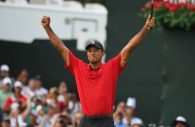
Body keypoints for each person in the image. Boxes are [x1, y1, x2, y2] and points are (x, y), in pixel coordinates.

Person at [41, 14, 155, 127]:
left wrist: (145, 29)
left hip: (105, 121)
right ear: (87, 53)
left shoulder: (111, 67)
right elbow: (61, 47)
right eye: (89, 50)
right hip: (87, 121)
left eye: (96, 50)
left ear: (102, 53)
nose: (92, 52)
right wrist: (47, 28)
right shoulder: (78, 67)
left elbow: (129, 48)